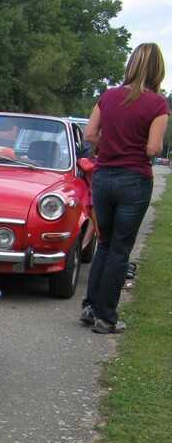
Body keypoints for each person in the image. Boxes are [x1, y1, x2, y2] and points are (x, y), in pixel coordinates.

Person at [80, 43, 170, 334]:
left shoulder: (108, 97)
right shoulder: (157, 104)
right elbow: (153, 148)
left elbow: (89, 134)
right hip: (134, 179)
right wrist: (138, 146)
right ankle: (107, 317)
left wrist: (112, 142)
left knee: (104, 243)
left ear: (131, 65)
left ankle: (89, 307)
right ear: (158, 70)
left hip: (103, 177)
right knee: (120, 249)